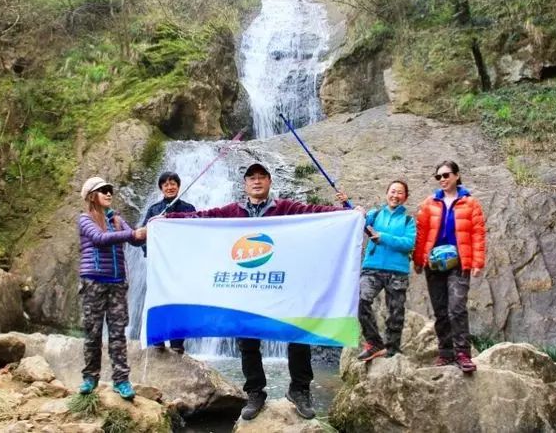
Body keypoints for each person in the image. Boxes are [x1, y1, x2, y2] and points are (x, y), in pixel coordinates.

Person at [163, 162, 364, 421]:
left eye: (261, 177)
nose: (256, 181)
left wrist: (348, 213)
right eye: (252, 178)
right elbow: (202, 217)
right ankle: (255, 392)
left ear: (269, 181)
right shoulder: (232, 211)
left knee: (298, 333)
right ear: (245, 184)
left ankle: (300, 389)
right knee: (247, 340)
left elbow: (316, 213)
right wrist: (167, 219)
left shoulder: (286, 208)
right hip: (248, 285)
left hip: (283, 284)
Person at [77, 176, 147, 399]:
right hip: (93, 281)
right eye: (103, 190)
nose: (109, 193)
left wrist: (149, 229)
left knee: (118, 333)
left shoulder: (117, 220)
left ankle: (121, 380)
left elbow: (135, 240)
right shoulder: (85, 219)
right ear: (91, 196)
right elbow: (99, 238)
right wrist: (132, 234)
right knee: (93, 332)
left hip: (117, 283)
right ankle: (90, 378)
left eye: (110, 190)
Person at [413, 161, 485, 373]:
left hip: (459, 262)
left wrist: (477, 262)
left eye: (446, 175)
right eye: (439, 177)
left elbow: (478, 233)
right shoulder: (430, 203)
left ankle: (463, 353)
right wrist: (418, 260)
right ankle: (445, 353)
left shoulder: (470, 203)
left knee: (457, 308)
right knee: (440, 310)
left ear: (457, 175)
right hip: (434, 264)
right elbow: (421, 233)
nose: (442, 180)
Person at [338, 181, 416, 362]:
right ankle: (374, 343)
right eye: (393, 191)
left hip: (398, 270)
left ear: (405, 197)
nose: (395, 195)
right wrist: (348, 205)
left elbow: (409, 243)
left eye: (400, 193)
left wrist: (383, 237)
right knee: (360, 300)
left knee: (395, 312)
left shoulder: (408, 220)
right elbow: (358, 222)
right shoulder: (376, 214)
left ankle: (392, 350)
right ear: (387, 193)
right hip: (372, 267)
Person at [139, 171, 196, 354]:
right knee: (158, 299)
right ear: (161, 188)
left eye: (173, 184)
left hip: (181, 265)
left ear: (178, 186)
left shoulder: (188, 208)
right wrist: (150, 254)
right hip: (159, 265)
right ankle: (158, 339)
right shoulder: (154, 210)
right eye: (166, 184)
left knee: (179, 301)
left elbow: (196, 234)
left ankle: (177, 343)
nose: (170, 187)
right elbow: (144, 234)